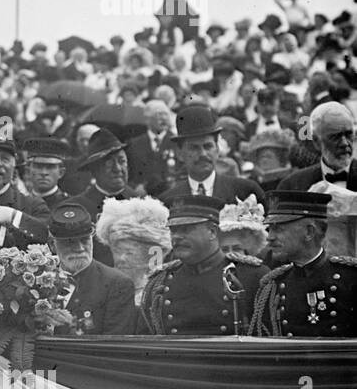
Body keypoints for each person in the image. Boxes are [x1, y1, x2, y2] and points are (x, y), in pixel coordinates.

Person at [138, 196, 268, 335]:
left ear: (212, 232)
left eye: (186, 229)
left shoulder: (251, 277)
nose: (177, 237)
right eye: (173, 230)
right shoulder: (159, 282)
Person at [249, 191, 357, 337]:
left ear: (309, 232)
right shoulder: (273, 286)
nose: (270, 237)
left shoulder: (350, 279)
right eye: (270, 229)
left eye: (279, 229)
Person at [46, 203, 136, 334]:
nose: (80, 248)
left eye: (84, 240)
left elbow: (115, 345)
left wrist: (72, 325)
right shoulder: (36, 278)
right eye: (69, 241)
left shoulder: (117, 284)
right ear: (52, 245)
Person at [159, 103, 265, 205]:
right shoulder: (168, 201)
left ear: (217, 149)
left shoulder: (246, 192)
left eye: (208, 146)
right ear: (180, 154)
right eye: (194, 148)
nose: (203, 154)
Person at [277, 102, 356, 191]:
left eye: (349, 134)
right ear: (317, 142)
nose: (344, 143)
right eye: (335, 137)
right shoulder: (292, 185)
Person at [70, 129, 139, 218]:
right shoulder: (77, 208)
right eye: (108, 163)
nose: (117, 169)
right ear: (94, 171)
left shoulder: (143, 204)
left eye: (122, 161)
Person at [125, 100, 175, 197]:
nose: (163, 118)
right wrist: (135, 187)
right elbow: (127, 174)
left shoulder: (176, 142)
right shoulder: (133, 144)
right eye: (159, 114)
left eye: (166, 114)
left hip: (170, 196)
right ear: (147, 119)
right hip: (141, 198)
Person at [22, 137, 72, 208]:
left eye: (50, 167)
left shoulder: (69, 205)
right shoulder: (20, 204)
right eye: (38, 167)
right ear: (28, 171)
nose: (44, 173)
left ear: (61, 173)